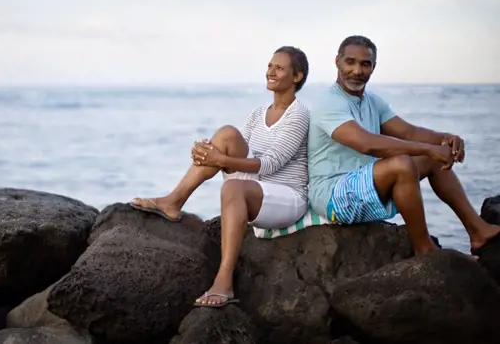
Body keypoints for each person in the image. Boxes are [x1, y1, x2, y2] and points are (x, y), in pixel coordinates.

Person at [130, 46, 311, 308]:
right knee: (226, 134)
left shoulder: (299, 114)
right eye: (270, 66)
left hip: (286, 195)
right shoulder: (256, 115)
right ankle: (173, 202)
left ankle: (224, 281)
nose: (270, 72)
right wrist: (207, 153)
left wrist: (221, 160)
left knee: (232, 188)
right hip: (256, 185)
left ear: (297, 76)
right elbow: (238, 156)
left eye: (279, 68)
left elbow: (271, 164)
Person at [307, 35, 500, 256]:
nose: (357, 70)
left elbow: (410, 132)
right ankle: (424, 248)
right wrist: (428, 148)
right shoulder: (329, 102)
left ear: (373, 67)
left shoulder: (372, 101)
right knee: (402, 164)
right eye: (350, 62)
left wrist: (444, 138)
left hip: (365, 187)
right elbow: (367, 144)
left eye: (365, 64)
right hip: (333, 197)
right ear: (337, 62)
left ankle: (477, 231)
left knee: (431, 160)